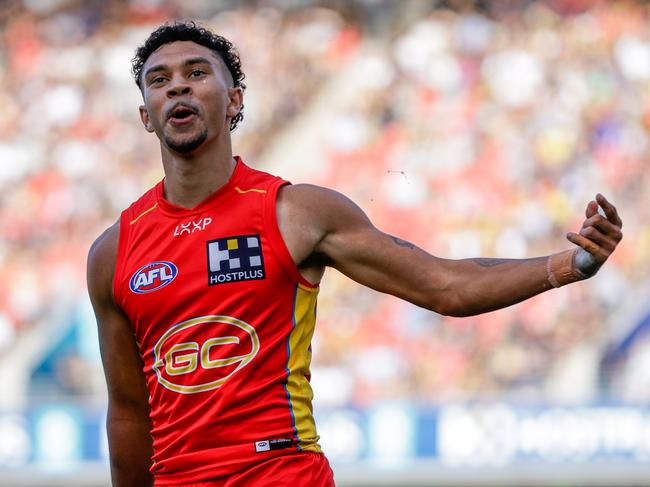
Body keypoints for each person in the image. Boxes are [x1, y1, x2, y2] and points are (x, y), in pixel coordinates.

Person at [86, 21, 623, 487]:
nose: (177, 85)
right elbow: (130, 415)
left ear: (234, 101)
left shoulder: (294, 212)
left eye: (197, 73)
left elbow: (444, 285)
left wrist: (568, 265)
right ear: (146, 115)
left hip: (282, 474)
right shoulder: (114, 251)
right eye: (159, 80)